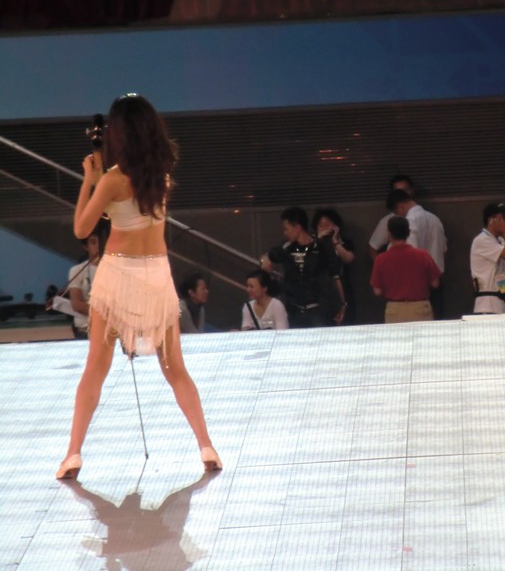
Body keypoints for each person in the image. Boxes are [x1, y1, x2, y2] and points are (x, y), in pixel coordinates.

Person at [56, 94, 221, 480]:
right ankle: (206, 444)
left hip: (118, 274)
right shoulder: (161, 174)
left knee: (96, 367)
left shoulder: (112, 180)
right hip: (156, 274)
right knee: (175, 368)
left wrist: (90, 178)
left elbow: (82, 227)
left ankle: (73, 453)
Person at [262, 206, 346, 328]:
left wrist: (342, 303)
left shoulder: (321, 247)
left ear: (297, 228)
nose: (285, 233)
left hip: (319, 308)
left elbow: (335, 276)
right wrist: (265, 259)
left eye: (286, 229)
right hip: (294, 309)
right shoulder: (286, 247)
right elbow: (267, 257)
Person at [386, 189, 447, 318]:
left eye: (396, 212)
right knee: (436, 324)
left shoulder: (409, 222)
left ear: (401, 207)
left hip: (417, 286)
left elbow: (409, 254)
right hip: (437, 279)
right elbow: (444, 249)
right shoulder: (435, 219)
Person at [370, 216, 441, 323]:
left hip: (394, 310)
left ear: (389, 234)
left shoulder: (380, 259)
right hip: (420, 308)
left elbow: (377, 290)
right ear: (408, 233)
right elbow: (435, 283)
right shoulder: (423, 255)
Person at [470, 203, 505, 314]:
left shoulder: (500, 241)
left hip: (501, 302)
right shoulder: (482, 240)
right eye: (503, 218)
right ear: (491, 220)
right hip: (487, 306)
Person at [312, 208, 356, 324]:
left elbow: (349, 259)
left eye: (327, 225)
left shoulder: (345, 243)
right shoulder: (313, 245)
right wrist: (319, 240)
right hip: (323, 292)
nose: (324, 229)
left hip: (344, 288)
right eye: (321, 226)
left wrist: (335, 241)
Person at [67, 228, 104, 339]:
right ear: (86, 247)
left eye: (101, 242)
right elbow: (77, 304)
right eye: (93, 242)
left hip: (111, 329)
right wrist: (106, 312)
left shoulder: (117, 270)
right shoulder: (77, 271)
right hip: (85, 329)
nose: (98, 246)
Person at [368, 174, 415, 261]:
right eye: (398, 191)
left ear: (412, 191)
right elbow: (373, 248)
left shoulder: (426, 218)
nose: (402, 194)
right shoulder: (388, 220)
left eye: (405, 190)